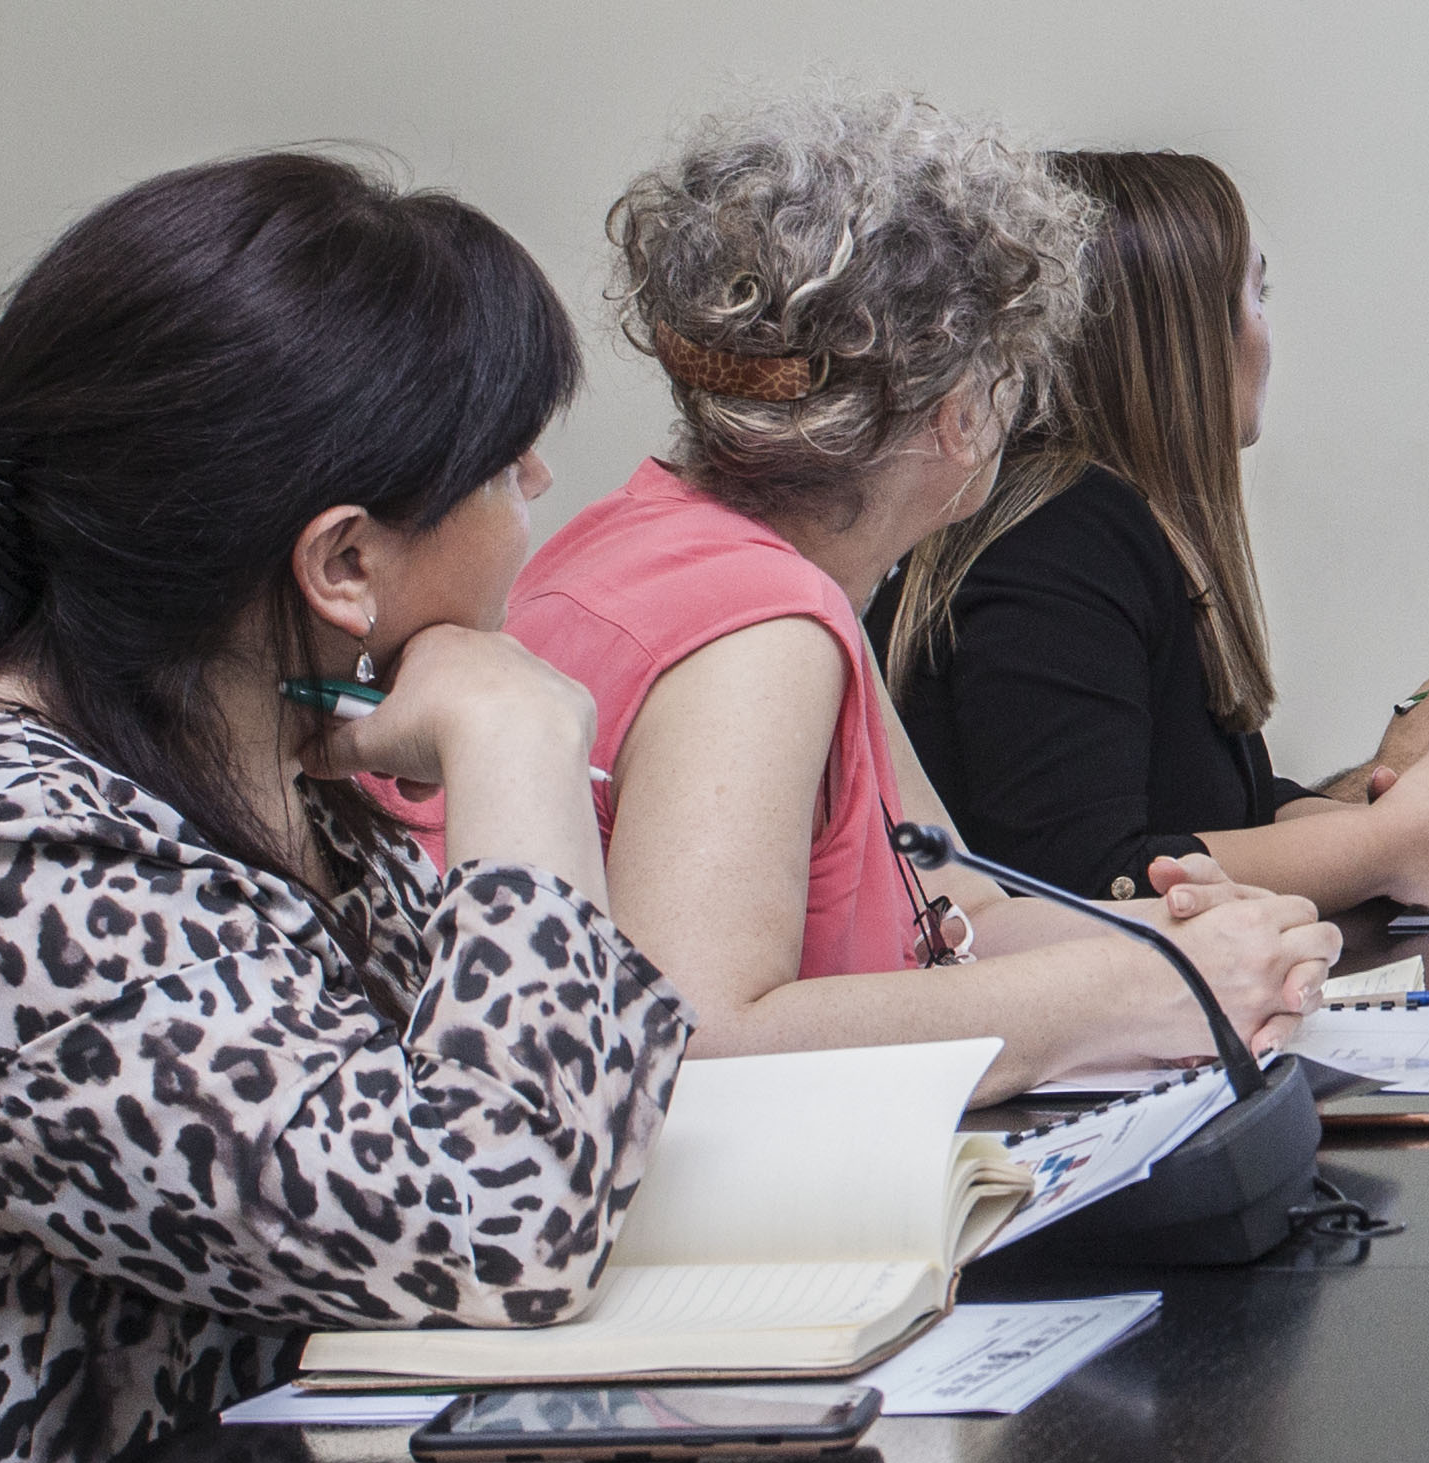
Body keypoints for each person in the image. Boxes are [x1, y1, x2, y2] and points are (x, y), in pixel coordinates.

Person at [0, 155, 689, 1463]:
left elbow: (544, 1117)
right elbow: (501, 1231)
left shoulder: (254, 757)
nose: (538, 479)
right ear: (344, 564)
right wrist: (515, 741)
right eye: (501, 461)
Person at [513, 94, 1340, 1096]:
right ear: (959, 415)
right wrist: (1132, 990)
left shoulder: (664, 548)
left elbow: (957, 918)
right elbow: (701, 1042)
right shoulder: (757, 635)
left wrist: (1176, 936)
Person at [879, 148, 1429, 911]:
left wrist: (1407, 784)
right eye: (1255, 293)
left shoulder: (1107, 521)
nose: (1267, 333)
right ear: (1184, 335)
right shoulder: (1061, 532)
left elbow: (1228, 816)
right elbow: (1091, 876)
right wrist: (1391, 845)